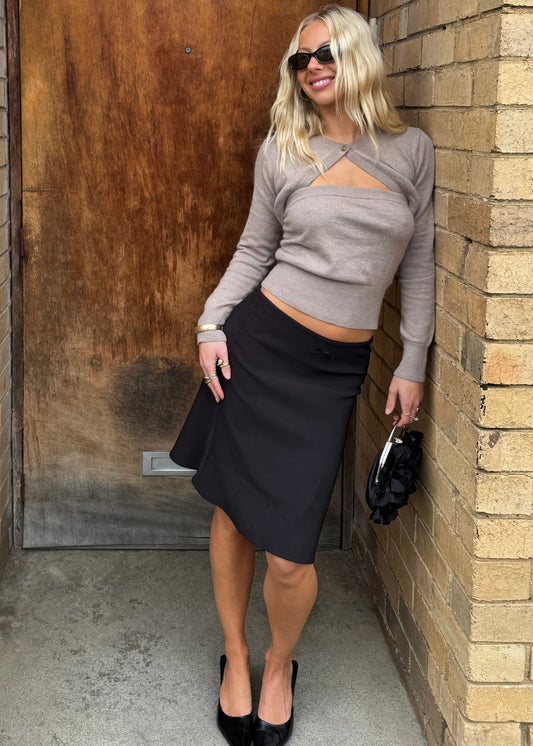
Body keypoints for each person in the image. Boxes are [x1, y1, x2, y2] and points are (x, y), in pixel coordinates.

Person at [170, 5, 435, 745]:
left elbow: (418, 262)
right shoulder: (283, 150)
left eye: (325, 53)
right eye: (300, 59)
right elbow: (255, 251)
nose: (312, 67)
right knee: (233, 511)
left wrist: (412, 360)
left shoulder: (410, 151)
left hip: (331, 374)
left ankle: (280, 664)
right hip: (259, 350)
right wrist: (210, 325)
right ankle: (235, 656)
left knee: (290, 554)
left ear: (358, 57)